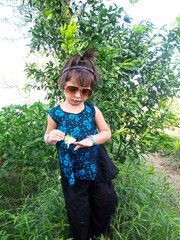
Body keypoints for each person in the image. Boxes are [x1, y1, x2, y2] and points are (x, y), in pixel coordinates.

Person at [44, 48, 118, 240]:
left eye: (85, 91)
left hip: (95, 165)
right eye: (73, 89)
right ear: (63, 84)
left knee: (105, 201)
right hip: (72, 170)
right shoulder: (55, 113)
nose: (78, 95)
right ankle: (82, 236)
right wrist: (51, 138)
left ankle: (97, 233)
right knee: (78, 210)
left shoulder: (92, 110)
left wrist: (91, 140)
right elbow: (47, 136)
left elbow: (106, 133)